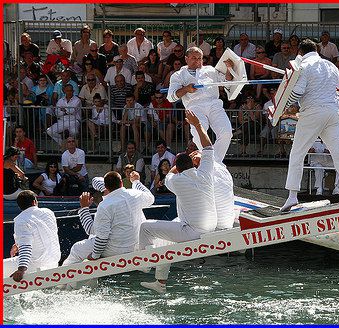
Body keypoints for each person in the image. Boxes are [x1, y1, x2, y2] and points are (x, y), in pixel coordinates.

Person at [139, 110, 217, 293]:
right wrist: (197, 125)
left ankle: (145, 262)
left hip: (192, 230)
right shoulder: (205, 173)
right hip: (209, 226)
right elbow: (208, 147)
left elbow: (171, 173)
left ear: (179, 168)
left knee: (145, 227)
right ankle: (161, 283)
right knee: (166, 240)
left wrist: (182, 162)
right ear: (194, 164)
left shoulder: (175, 179)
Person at [280, 39, 339, 211]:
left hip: (313, 112)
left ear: (300, 52)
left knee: (297, 153)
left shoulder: (303, 66)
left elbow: (297, 92)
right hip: (332, 112)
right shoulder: (330, 65)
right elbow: (338, 89)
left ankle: (293, 196)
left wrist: (283, 105)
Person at [63, 170, 154, 266]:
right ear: (121, 182)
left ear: (106, 187)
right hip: (136, 244)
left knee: (76, 248)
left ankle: (62, 278)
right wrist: (136, 182)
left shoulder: (104, 206)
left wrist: (84, 208)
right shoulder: (136, 194)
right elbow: (151, 198)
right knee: (93, 236)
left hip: (115, 250)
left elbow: (94, 232)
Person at [167, 47, 234, 163]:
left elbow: (227, 81)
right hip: (194, 106)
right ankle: (214, 162)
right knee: (198, 135)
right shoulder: (178, 75)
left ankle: (214, 162)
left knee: (227, 132)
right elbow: (171, 97)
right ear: (186, 59)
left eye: (200, 58)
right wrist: (186, 89)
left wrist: (229, 68)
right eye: (194, 58)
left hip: (214, 104)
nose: (197, 61)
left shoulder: (211, 70)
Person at [4, 190, 60, 281]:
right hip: (53, 262)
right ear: (34, 201)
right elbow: (43, 233)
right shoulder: (49, 212)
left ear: (19, 206)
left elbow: (26, 246)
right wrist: (18, 244)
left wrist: (21, 269)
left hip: (35, 265)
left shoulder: (20, 220)